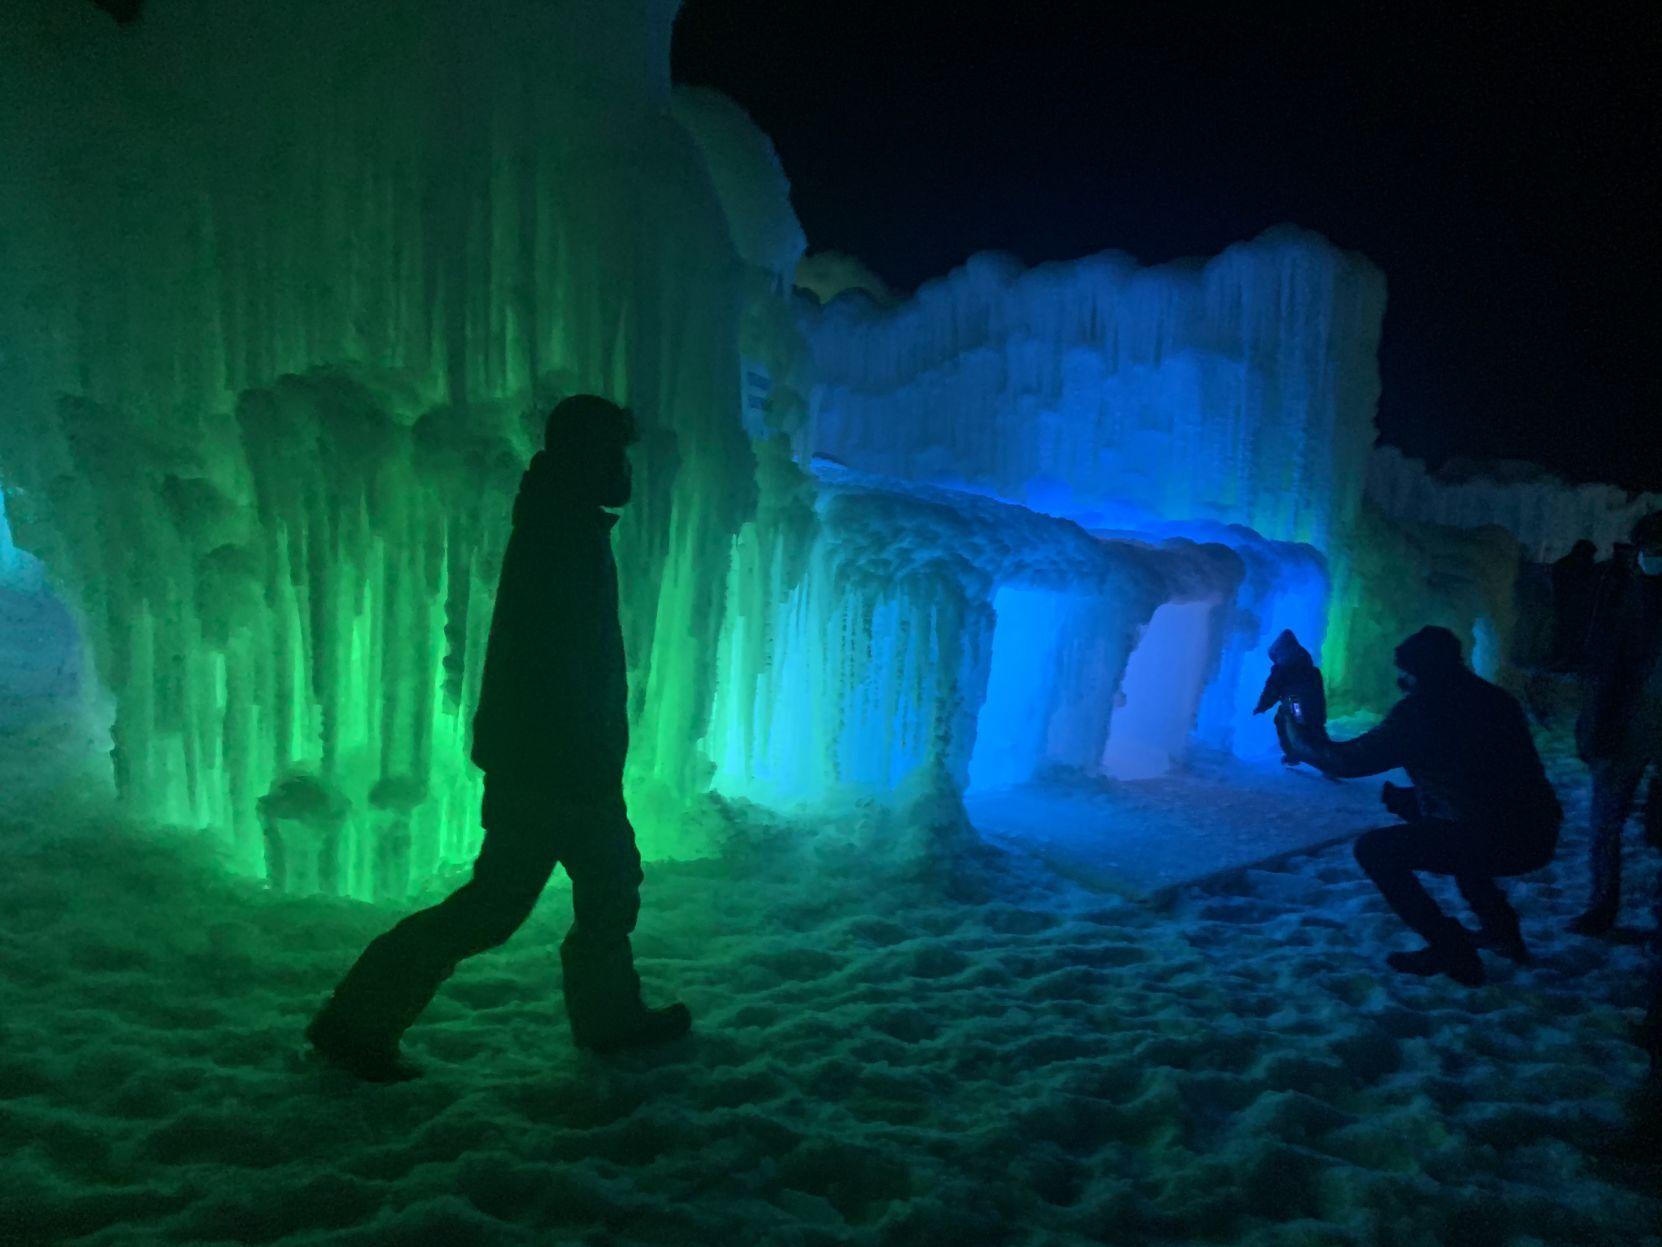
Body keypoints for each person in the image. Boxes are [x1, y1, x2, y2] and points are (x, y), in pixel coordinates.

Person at [305, 395, 690, 1082]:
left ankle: (603, 1016)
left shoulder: (563, 522)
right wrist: (577, 759)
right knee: (506, 903)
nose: (623, 468)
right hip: (554, 765)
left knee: (577, 889)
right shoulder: (558, 531)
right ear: (585, 456)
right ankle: (359, 1018)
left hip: (553, 760)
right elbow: (550, 661)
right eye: (613, 454)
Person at [1285, 626, 1561, 986]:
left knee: (1375, 851)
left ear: (1417, 672)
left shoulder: (1421, 712)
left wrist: (1298, 737)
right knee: (1456, 832)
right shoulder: (1495, 700)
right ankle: (1501, 931)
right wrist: (1418, 801)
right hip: (1538, 830)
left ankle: (1451, 947)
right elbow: (1485, 779)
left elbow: (1346, 762)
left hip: (1493, 836)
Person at [1569, 510, 1662, 936]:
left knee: (1618, 823)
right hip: (1626, 725)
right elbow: (1606, 666)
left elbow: (1609, 666)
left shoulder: (1631, 595)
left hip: (1632, 724)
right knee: (1607, 822)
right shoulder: (1627, 592)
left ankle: (1607, 906)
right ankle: (1602, 906)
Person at [1252, 629, 1328, 767]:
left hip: (1295, 703)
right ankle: (1329, 764)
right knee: (1316, 730)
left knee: (1290, 723)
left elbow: (1272, 689)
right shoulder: (1311, 669)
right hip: (1314, 705)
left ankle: (1293, 754)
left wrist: (1261, 706)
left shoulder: (1282, 668)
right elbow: (1318, 695)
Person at [1548, 539, 1600, 671]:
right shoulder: (1572, 565)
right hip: (1571, 607)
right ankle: (1563, 661)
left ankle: (1562, 660)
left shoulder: (1565, 564)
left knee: (1566, 634)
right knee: (1568, 634)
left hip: (1570, 607)